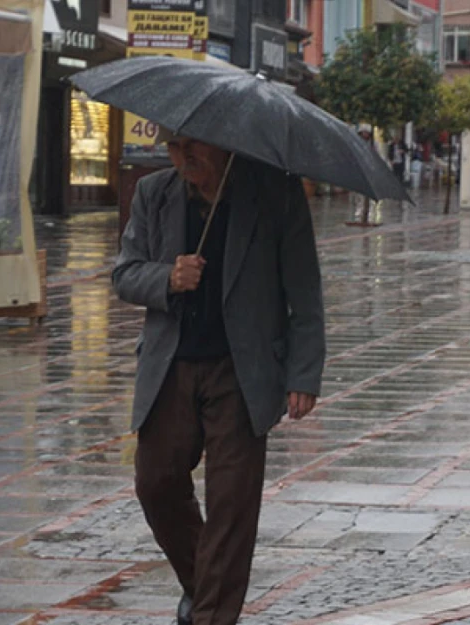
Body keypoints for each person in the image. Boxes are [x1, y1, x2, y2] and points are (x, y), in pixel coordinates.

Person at [113, 128, 326, 625]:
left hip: (241, 371)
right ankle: (204, 585)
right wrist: (167, 277)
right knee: (156, 482)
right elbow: (125, 274)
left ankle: (210, 615)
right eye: (172, 146)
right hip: (171, 365)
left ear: (225, 143)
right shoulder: (154, 193)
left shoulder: (275, 194)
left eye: (194, 145)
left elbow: (305, 290)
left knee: (232, 504)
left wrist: (304, 373)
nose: (182, 156)